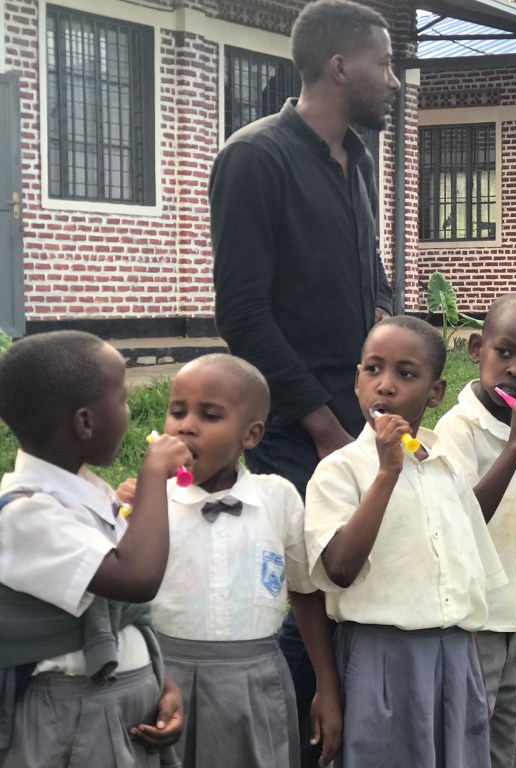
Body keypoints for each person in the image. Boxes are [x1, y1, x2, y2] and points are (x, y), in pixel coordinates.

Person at [208, 2, 399, 759]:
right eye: (385, 64)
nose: (394, 81)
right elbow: (243, 314)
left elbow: (371, 278)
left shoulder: (358, 158)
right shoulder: (256, 158)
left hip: (363, 417)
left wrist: (395, 357)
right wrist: (322, 425)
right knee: (308, 592)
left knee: (361, 578)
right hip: (299, 428)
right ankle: (287, 741)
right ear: (340, 67)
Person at [116, 355, 341, 768]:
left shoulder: (278, 499)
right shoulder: (148, 503)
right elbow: (123, 593)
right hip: (165, 680)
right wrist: (134, 503)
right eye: (177, 412)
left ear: (251, 435)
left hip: (255, 684)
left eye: (209, 415)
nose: (186, 426)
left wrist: (326, 687)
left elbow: (306, 594)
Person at [303, 316, 507, 768]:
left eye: (406, 374)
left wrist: (470, 671)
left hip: (454, 659)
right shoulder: (339, 471)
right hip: (379, 660)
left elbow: (472, 576)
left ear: (435, 393)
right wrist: (387, 472)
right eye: (373, 369)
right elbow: (339, 568)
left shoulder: (448, 470)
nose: (385, 385)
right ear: (357, 379)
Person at [0, 331, 191, 767]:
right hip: (70, 718)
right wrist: (154, 475)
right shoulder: (26, 514)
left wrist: (161, 681)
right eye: (122, 400)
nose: (129, 413)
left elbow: (122, 618)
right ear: (84, 423)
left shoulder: (86, 494)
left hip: (120, 705)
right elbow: (136, 580)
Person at [434, 294, 516, 768]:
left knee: (502, 743)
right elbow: (465, 520)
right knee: (470, 738)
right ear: (475, 349)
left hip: (510, 619)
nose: (514, 370)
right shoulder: (459, 428)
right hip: (475, 620)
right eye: (503, 353)